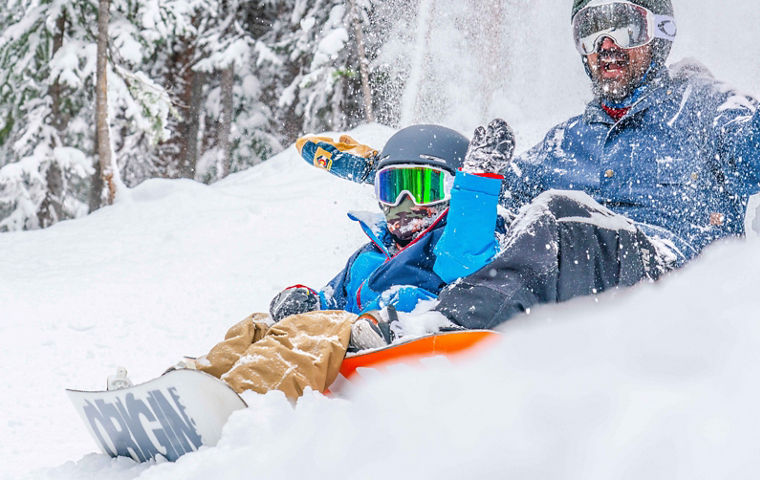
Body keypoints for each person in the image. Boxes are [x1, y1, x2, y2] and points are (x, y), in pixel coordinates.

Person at [308, 1, 760, 330]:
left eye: (624, 28)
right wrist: (386, 168)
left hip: (671, 278)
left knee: (559, 219)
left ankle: (439, 324)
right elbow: (487, 190)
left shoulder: (702, 103)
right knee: (508, 227)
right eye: (591, 33)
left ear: (657, 35)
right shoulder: (567, 140)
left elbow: (754, 159)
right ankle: (373, 315)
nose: (607, 45)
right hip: (579, 288)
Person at [107, 123, 514, 400]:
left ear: (454, 192)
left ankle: (238, 401)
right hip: (340, 335)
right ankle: (185, 389)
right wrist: (306, 300)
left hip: (399, 333)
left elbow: (465, 264)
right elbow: (331, 297)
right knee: (257, 326)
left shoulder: (448, 244)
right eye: (392, 189)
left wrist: (478, 185)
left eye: (421, 187)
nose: (403, 204)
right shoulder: (371, 253)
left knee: (311, 331)